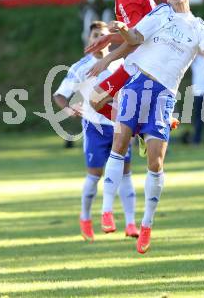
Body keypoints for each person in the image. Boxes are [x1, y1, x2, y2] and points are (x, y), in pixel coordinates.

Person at [99, 0, 204, 254]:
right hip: (138, 84)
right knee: (119, 144)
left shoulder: (199, 27)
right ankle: (106, 211)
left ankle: (146, 225)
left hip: (164, 95)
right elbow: (134, 37)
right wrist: (122, 28)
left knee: (155, 162)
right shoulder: (159, 14)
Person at [53, 21, 139, 242]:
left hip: (120, 125)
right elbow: (59, 95)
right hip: (95, 128)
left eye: (103, 34)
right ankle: (85, 218)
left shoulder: (121, 62)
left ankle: (130, 223)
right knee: (94, 175)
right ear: (89, 40)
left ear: (109, 39)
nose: (98, 38)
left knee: (125, 173)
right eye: (94, 35)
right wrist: (70, 108)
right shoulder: (80, 67)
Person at [85, 0, 156, 121]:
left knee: (96, 99)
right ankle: (140, 127)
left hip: (144, 64)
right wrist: (109, 37)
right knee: (103, 101)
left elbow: (136, 40)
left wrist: (107, 59)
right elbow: (136, 34)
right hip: (144, 60)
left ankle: (140, 128)